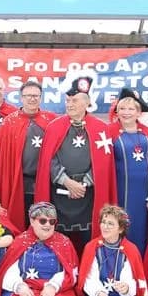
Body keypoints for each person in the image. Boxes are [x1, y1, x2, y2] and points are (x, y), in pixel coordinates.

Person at [35, 75, 116, 254]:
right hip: (61, 195)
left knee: (89, 242)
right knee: (60, 243)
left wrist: (83, 184)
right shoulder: (54, 127)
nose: (69, 104)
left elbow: (104, 163)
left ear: (87, 103)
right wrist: (67, 182)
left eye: (74, 100)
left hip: (88, 197)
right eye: (67, 100)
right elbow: (49, 160)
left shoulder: (101, 129)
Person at [0, 80, 57, 231]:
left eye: (36, 95)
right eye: (28, 95)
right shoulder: (9, 122)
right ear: (21, 98)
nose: (32, 99)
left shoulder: (52, 120)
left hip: (47, 182)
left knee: (45, 221)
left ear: (41, 97)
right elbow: (2, 159)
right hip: (20, 182)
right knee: (21, 221)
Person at [108, 88, 148, 254]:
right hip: (120, 190)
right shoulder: (110, 132)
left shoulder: (147, 132)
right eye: (122, 108)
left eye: (131, 109)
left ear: (138, 112)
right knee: (121, 225)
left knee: (142, 227)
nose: (126, 112)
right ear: (117, 111)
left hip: (144, 191)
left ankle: (139, 266)